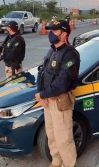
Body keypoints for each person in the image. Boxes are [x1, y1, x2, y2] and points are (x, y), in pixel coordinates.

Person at [35, 20, 80, 167]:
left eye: (54, 31)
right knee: (52, 135)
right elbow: (42, 73)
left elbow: (63, 82)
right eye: (50, 31)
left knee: (64, 139)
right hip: (48, 100)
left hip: (60, 102)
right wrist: (40, 93)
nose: (51, 34)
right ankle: (56, 161)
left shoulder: (70, 55)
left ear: (64, 34)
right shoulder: (52, 51)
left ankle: (69, 164)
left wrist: (42, 95)